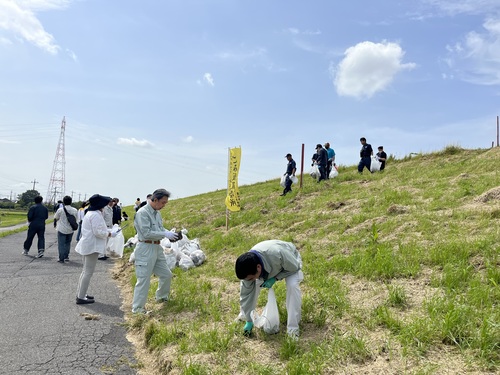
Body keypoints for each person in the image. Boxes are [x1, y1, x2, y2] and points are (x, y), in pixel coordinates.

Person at [235, 240, 303, 339]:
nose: (249, 281)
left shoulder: (278, 254)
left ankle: (293, 328)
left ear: (258, 267)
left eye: (250, 278)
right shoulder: (248, 270)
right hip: (264, 268)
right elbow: (246, 295)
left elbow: (294, 267)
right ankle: (245, 315)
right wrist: (249, 320)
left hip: (291, 261)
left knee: (292, 285)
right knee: (252, 285)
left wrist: (275, 278)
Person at [131, 188, 180, 314]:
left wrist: (169, 233)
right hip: (145, 248)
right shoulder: (143, 213)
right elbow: (146, 233)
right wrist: (164, 233)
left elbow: (160, 228)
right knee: (143, 279)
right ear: (155, 200)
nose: (164, 205)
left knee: (166, 274)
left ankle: (162, 297)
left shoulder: (157, 213)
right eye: (163, 202)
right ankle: (138, 309)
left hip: (157, 247)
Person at [75, 194, 120, 305]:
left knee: (85, 271)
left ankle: (81, 294)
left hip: (88, 245)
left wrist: (110, 230)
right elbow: (98, 232)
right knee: (88, 272)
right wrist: (110, 234)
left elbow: (99, 229)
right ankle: (81, 297)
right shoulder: (95, 215)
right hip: (91, 246)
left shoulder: (92, 213)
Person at [54, 195, 78, 263]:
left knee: (61, 244)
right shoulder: (75, 210)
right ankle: (66, 256)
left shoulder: (60, 210)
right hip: (70, 229)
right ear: (71, 202)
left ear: (63, 202)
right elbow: (76, 219)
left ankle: (61, 258)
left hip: (61, 229)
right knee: (68, 243)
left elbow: (56, 217)